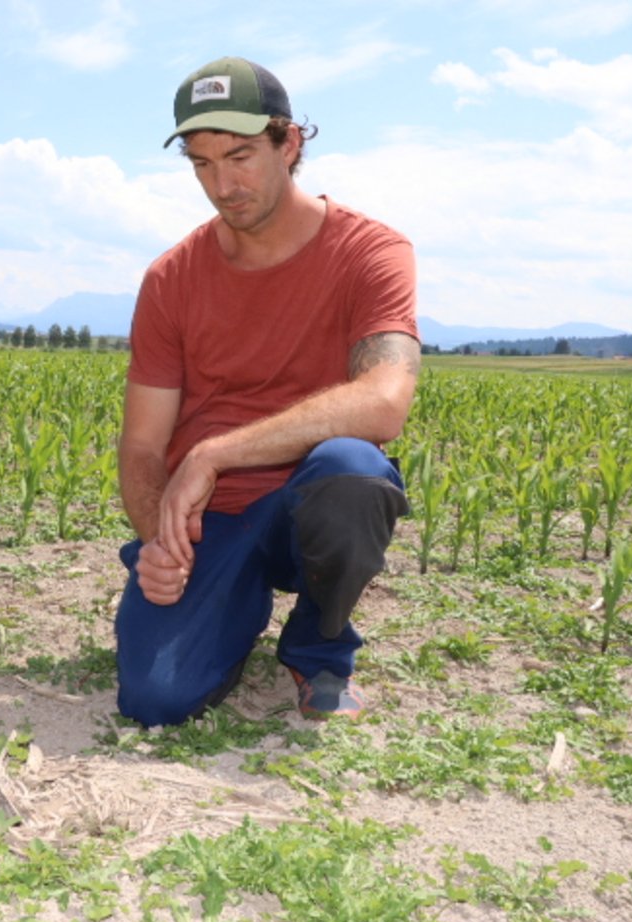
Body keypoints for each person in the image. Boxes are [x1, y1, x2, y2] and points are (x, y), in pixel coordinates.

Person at [114, 56, 420, 727]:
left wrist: (214, 453)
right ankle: (226, 598)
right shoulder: (170, 278)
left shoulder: (370, 252)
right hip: (210, 521)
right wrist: (160, 541)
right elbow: (141, 446)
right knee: (156, 698)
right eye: (201, 164)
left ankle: (319, 648)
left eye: (240, 156)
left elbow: (384, 401)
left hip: (304, 503)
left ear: (290, 143)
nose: (222, 185)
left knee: (354, 471)